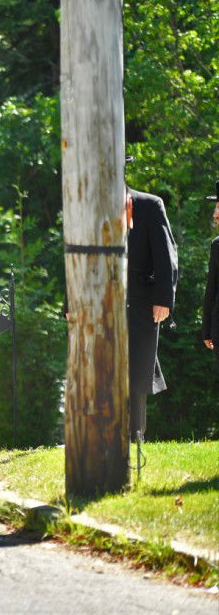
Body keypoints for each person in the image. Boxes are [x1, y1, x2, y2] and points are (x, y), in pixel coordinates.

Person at [126, 177, 178, 439]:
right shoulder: (88, 206)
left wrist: (164, 299)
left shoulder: (149, 205)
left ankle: (135, 435)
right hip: (97, 303)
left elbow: (165, 255)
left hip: (140, 303)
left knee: (137, 368)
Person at [203, 182, 219, 374]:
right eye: (216, 208)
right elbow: (212, 287)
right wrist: (206, 328)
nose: (215, 214)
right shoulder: (217, 245)